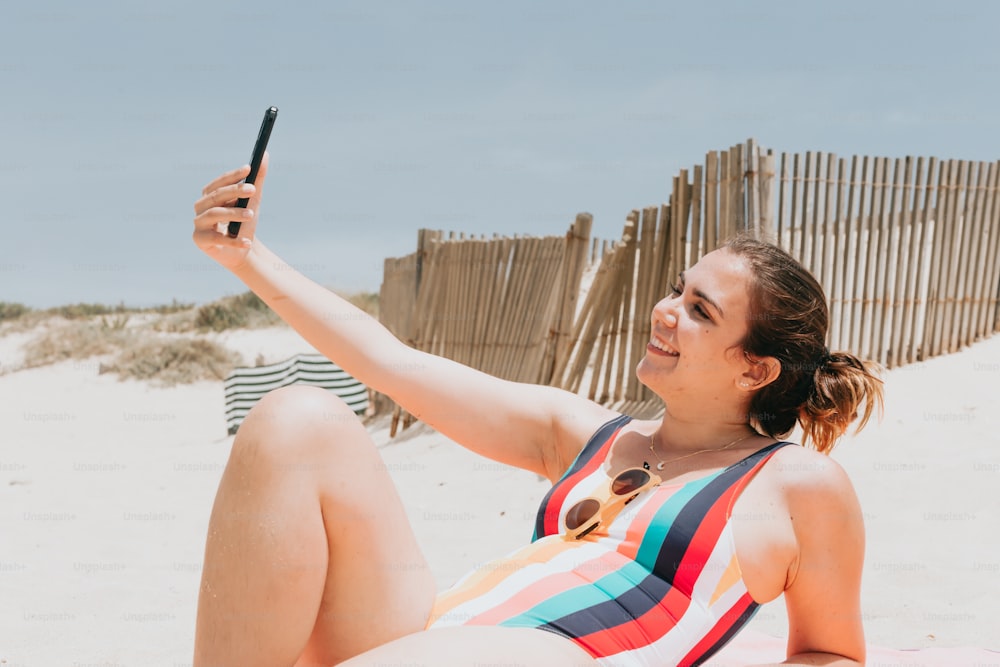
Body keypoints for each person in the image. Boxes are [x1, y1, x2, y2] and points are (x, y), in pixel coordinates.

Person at [191, 154, 883, 667]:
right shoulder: (587, 434)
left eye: (699, 310)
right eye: (677, 289)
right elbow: (391, 362)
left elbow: (832, 654)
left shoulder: (794, 484)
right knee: (296, 420)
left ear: (754, 368)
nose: (665, 311)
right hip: (441, 635)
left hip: (556, 654)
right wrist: (249, 259)